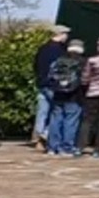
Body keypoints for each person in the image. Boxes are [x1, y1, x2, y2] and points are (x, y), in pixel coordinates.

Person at [47, 39, 87, 158]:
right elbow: (85, 80)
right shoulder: (83, 62)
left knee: (55, 120)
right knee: (71, 121)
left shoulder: (58, 60)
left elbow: (50, 77)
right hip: (74, 96)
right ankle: (67, 148)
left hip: (58, 94)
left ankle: (52, 147)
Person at [31, 25, 69, 153]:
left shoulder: (42, 48)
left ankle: (37, 136)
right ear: (60, 34)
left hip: (41, 83)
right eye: (65, 34)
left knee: (42, 112)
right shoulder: (60, 51)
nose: (67, 37)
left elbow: (35, 65)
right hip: (53, 85)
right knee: (56, 112)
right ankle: (46, 135)